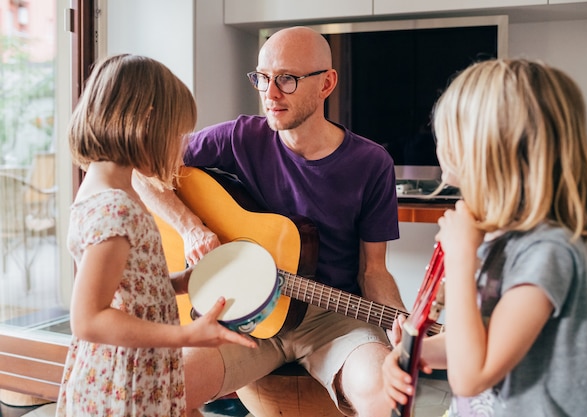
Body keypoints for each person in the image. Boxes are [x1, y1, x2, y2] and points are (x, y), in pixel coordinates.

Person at [135, 26, 406, 416]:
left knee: (384, 395)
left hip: (334, 319)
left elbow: (374, 272)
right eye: (262, 78)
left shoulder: (372, 163)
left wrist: (402, 325)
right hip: (246, 317)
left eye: (287, 79)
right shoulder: (239, 137)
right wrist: (190, 227)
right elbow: (139, 167)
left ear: (327, 83)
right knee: (159, 394)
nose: (270, 93)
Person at [382, 58, 587, 416]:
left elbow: (473, 376)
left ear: (488, 149)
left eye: (450, 133)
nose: (438, 143)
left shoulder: (547, 252)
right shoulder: (490, 237)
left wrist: (460, 262)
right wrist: (418, 350)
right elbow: (478, 341)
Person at [55, 54, 257, 417]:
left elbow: (124, 287)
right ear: (147, 121)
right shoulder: (115, 208)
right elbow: (88, 319)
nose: (179, 150)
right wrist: (186, 337)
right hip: (124, 383)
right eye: (176, 134)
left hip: (138, 371)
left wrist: (182, 282)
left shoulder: (105, 188)